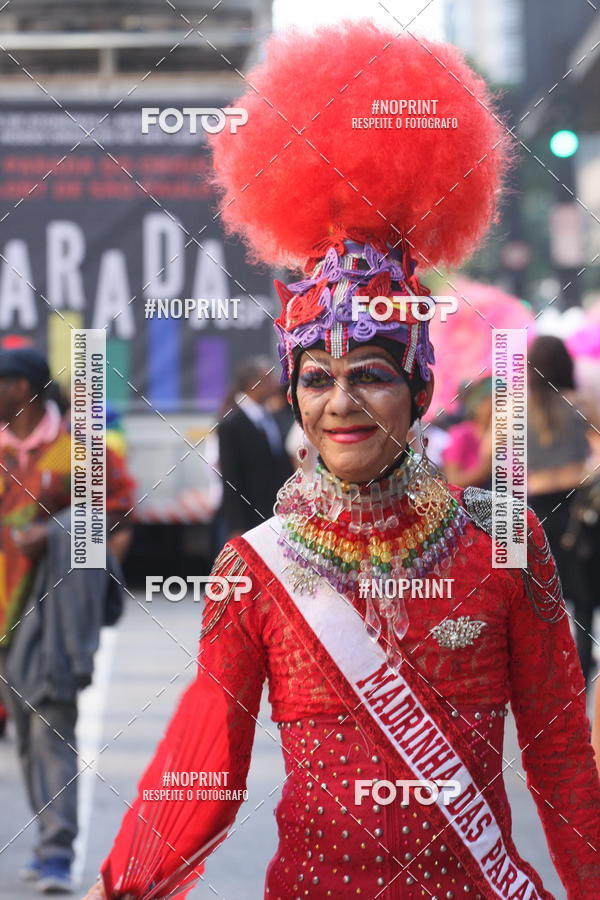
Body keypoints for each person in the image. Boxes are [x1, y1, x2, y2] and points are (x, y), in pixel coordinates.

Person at [83, 22, 599, 900]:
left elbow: (559, 760)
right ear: (292, 391)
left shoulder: (504, 547)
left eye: (370, 374)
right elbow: (200, 768)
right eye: (315, 377)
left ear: (420, 385)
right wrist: (121, 886)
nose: (340, 403)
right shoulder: (255, 571)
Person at [0, 347, 135, 894]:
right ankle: (48, 839)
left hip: (51, 615)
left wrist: (72, 549)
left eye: (3, 381)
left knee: (52, 727)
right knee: (28, 739)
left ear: (25, 387)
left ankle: (57, 852)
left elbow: (117, 515)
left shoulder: (77, 451)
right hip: (4, 617)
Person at [527, 334, 600, 689]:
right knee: (584, 596)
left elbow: (497, 463)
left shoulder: (515, 410)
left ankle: (545, 679)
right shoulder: (580, 404)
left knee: (539, 598)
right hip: (577, 507)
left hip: (534, 511)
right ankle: (582, 675)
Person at [217, 356, 293, 539]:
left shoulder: (271, 416)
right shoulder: (232, 423)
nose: (275, 384)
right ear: (253, 383)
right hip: (249, 520)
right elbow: (230, 478)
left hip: (273, 514)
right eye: (268, 379)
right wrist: (236, 526)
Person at [442, 377, 493, 489]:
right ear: (478, 404)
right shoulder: (461, 435)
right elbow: (452, 481)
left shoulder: (507, 438)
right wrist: (485, 469)